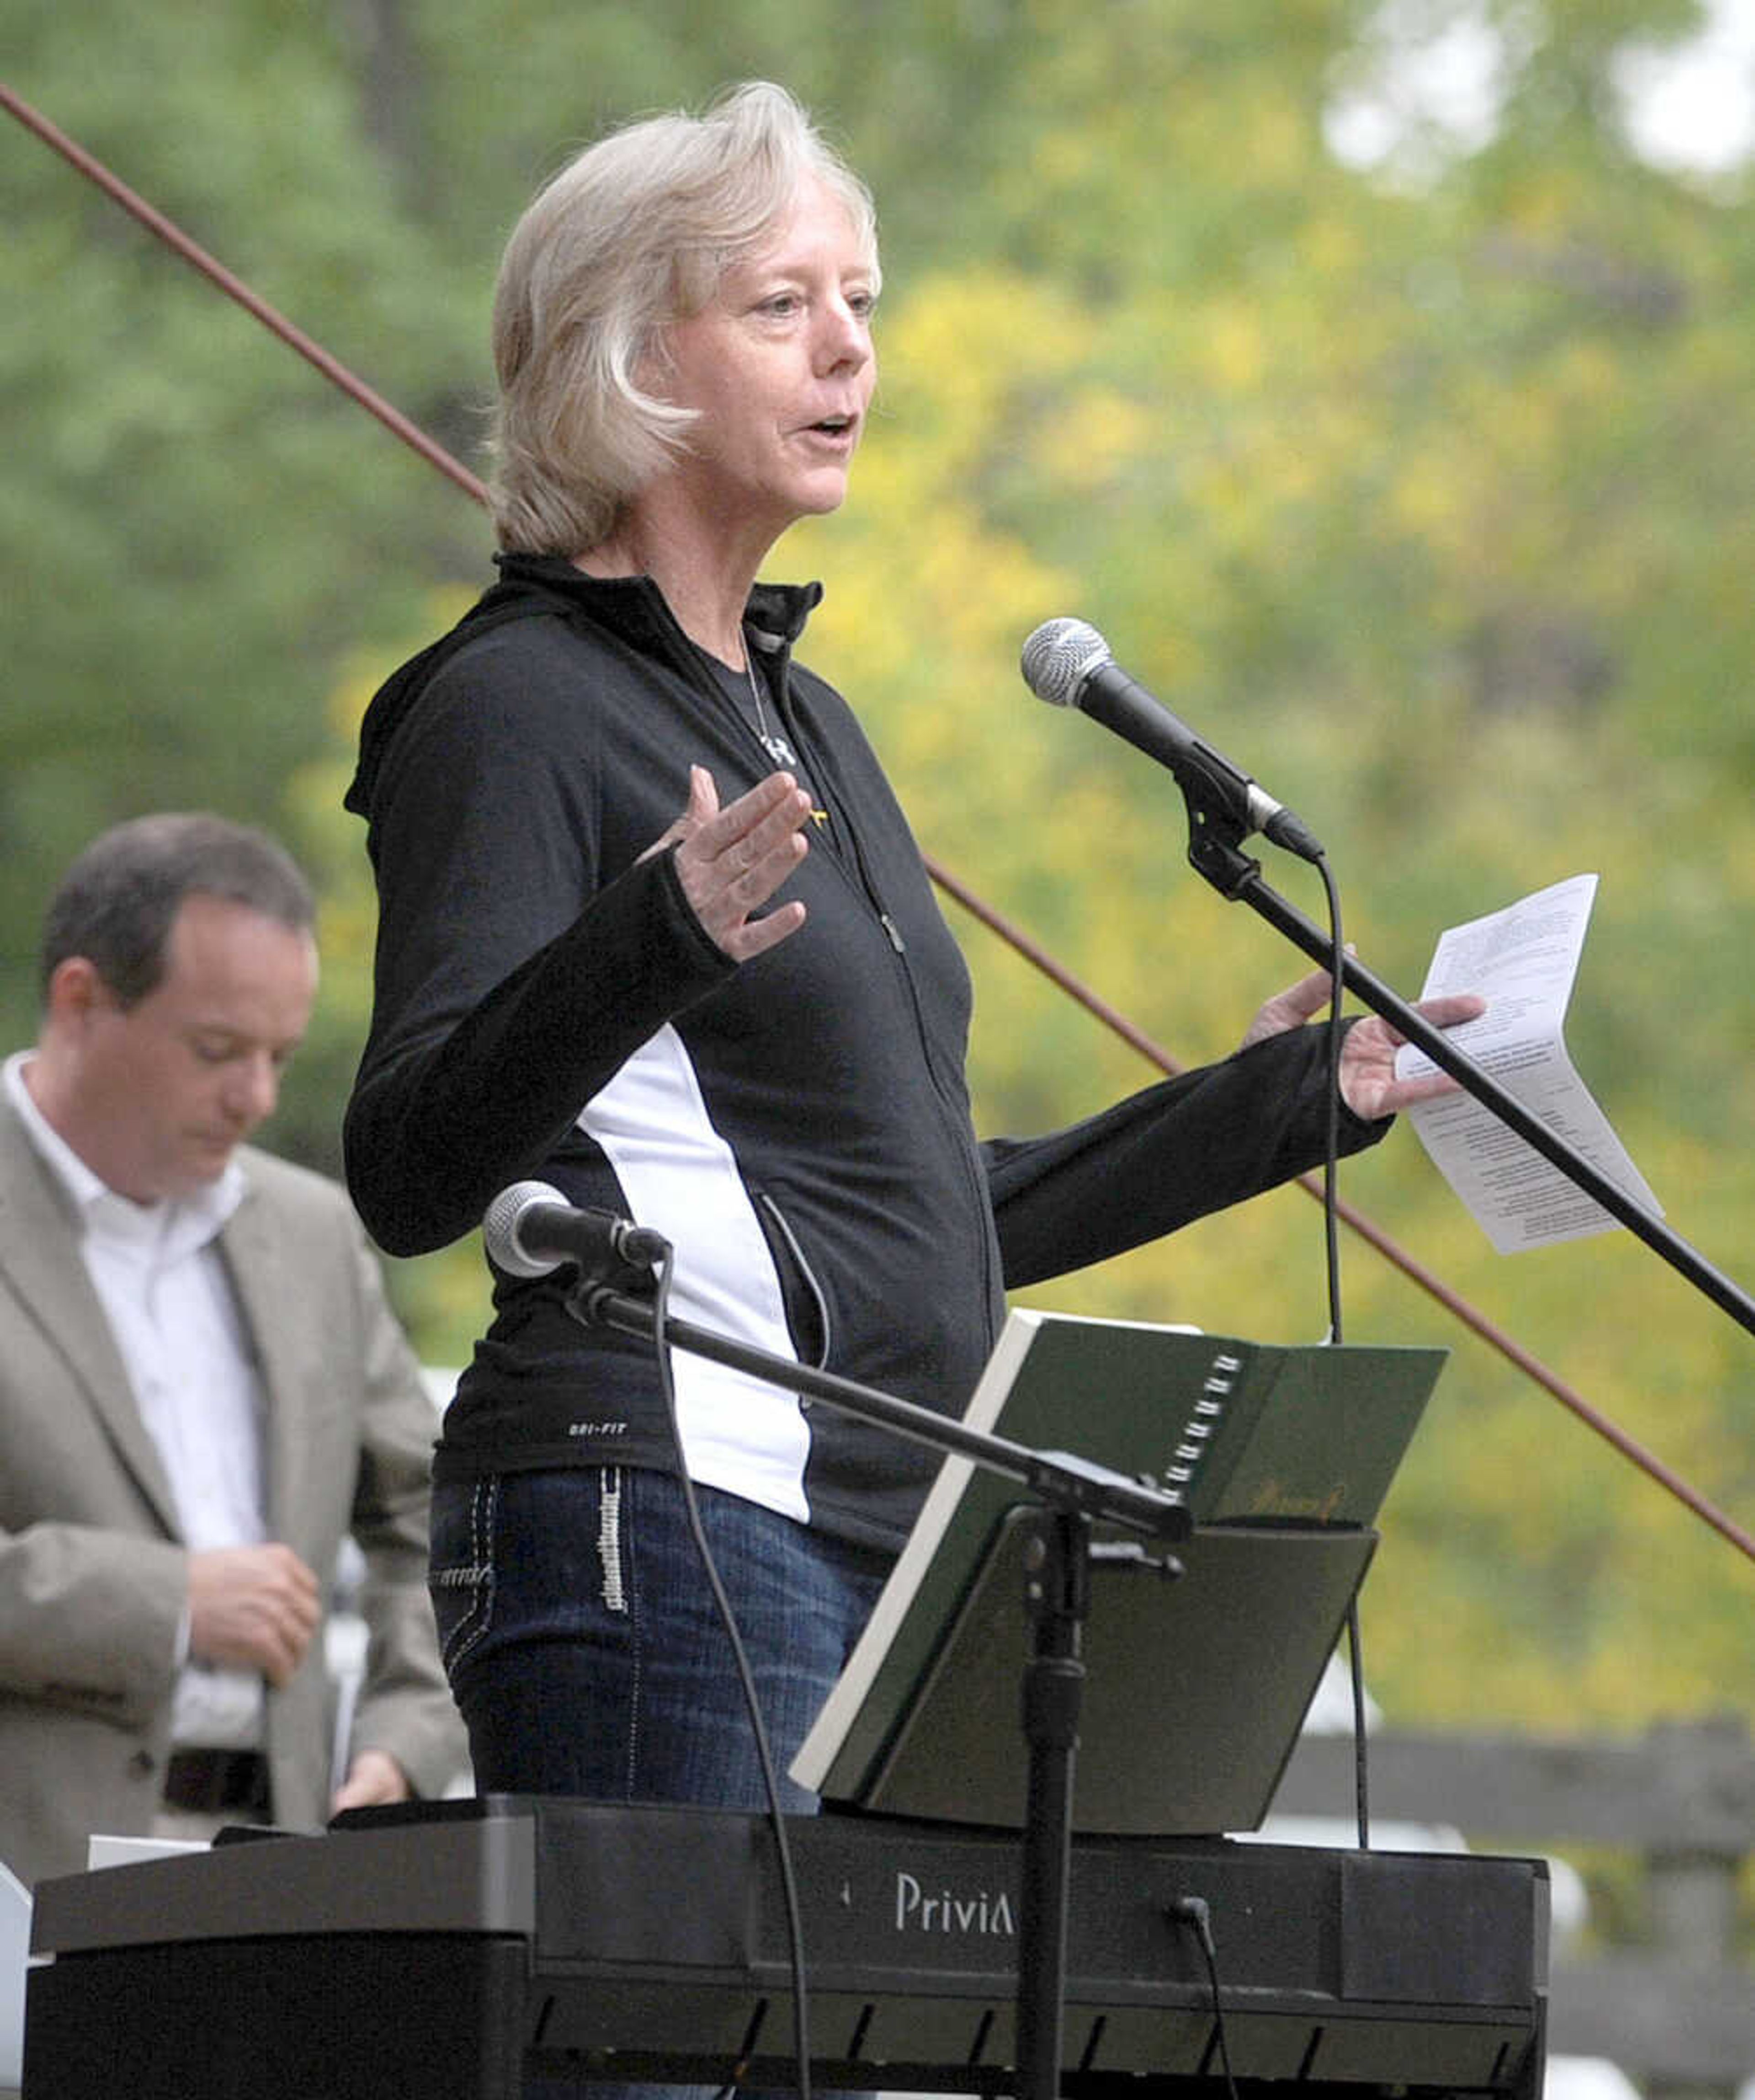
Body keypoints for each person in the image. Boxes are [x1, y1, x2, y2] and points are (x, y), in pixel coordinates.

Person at [342, 82, 1479, 1823]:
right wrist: (654, 934)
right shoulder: (509, 709)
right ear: (627, 359)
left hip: (904, 1533)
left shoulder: (819, 730)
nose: (850, 354)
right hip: (661, 1505)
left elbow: (936, 1218)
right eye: (783, 305)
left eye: (864, 303)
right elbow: (410, 1163)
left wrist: (1281, 1103)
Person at [0, 813, 465, 1889]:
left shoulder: (311, 1233)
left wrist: (406, 1733)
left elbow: (432, 1519)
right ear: (81, 1001)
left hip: (269, 1888)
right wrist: (163, 1600)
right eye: (217, 1050)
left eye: (279, 1056)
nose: (256, 1096)